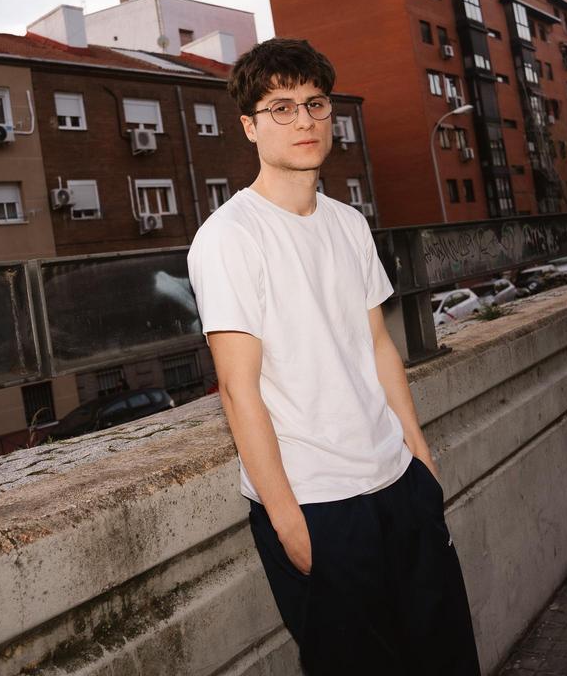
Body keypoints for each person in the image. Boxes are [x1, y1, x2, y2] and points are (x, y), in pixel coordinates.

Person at [187, 38, 480, 674]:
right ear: (249, 127)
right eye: (281, 108)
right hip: (318, 507)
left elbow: (377, 344)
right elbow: (240, 391)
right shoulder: (230, 239)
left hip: (399, 486)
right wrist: (291, 525)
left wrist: (420, 462)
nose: (304, 122)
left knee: (448, 659)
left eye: (315, 104)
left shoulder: (348, 224)